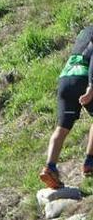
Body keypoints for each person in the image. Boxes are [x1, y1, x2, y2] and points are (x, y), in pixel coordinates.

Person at [40, 25, 93, 189]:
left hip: (65, 78)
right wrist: (91, 86)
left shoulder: (85, 33)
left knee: (61, 128)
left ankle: (50, 167)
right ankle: (90, 162)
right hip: (82, 79)